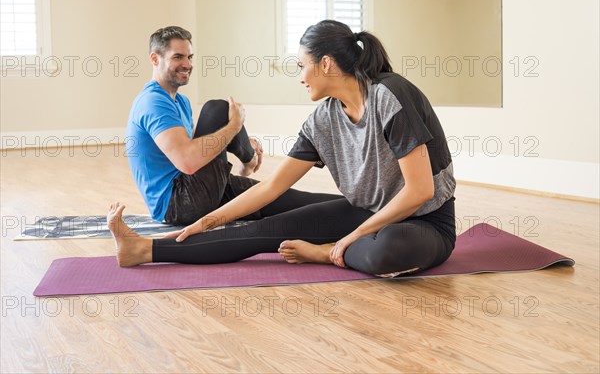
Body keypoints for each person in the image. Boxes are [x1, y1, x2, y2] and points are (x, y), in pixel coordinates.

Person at [110, 20, 456, 277]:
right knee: (262, 230)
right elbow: (274, 187)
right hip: (370, 212)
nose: (300, 77)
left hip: (425, 223)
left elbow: (420, 190)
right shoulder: (323, 120)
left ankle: (325, 253)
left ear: (326, 64)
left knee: (389, 251)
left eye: (301, 66)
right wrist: (207, 221)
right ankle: (143, 249)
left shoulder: (389, 94)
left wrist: (348, 239)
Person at [126, 26, 338, 226]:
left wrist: (236, 137)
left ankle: (358, 211)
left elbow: (200, 149)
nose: (188, 64)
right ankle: (250, 160)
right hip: (178, 203)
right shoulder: (153, 101)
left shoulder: (180, 102)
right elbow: (188, 162)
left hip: (199, 190)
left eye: (190, 57)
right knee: (217, 109)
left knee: (286, 199)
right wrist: (235, 126)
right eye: (178, 57)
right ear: (155, 58)